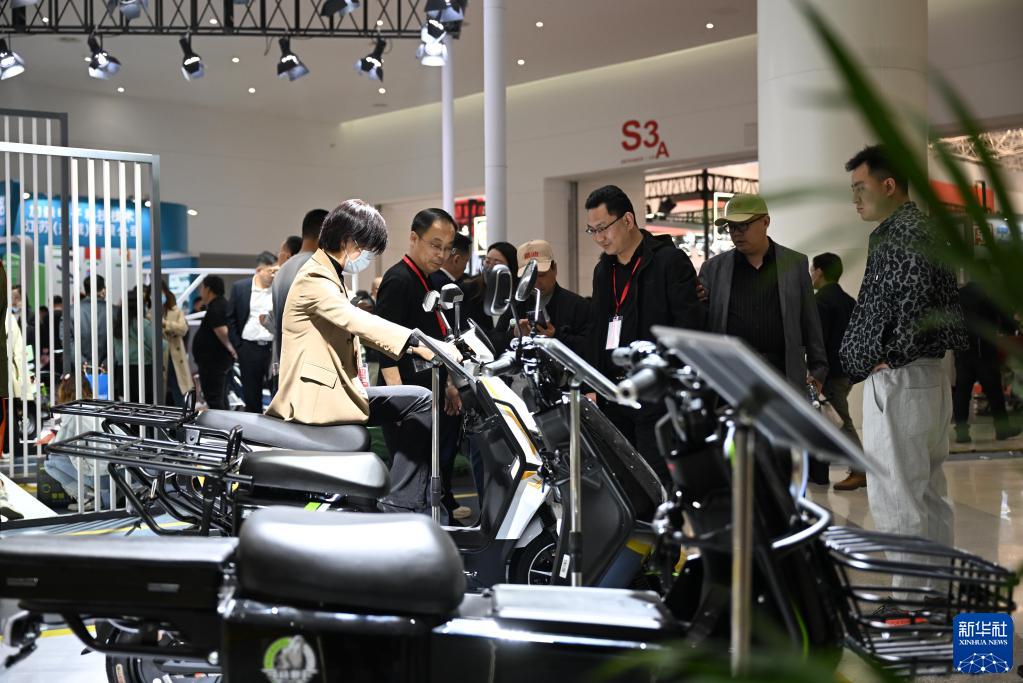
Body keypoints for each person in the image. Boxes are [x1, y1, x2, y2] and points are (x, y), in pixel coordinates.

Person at [267, 199, 459, 513]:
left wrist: (422, 345)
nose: (368, 257)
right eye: (368, 249)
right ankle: (400, 503)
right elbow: (355, 320)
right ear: (348, 241)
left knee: (421, 400)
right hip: (317, 397)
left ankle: (401, 500)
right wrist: (417, 341)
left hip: (338, 389)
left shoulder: (330, 275)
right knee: (421, 401)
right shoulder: (314, 277)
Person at [840, 145, 966, 598]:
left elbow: (912, 304)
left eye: (861, 188)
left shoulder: (902, 233)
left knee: (897, 497)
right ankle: (937, 595)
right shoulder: (923, 229)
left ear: (889, 185)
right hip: (927, 376)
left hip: (902, 379)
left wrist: (890, 354)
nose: (855, 199)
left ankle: (910, 602)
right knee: (928, 493)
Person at [585, 184, 705, 483]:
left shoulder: (669, 262)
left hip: (657, 398)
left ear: (628, 220)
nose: (599, 238)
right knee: (624, 484)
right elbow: (599, 330)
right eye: (592, 231)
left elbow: (688, 329)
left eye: (603, 228)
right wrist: (594, 385)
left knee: (659, 483)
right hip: (615, 396)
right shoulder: (603, 271)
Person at [375, 208, 469, 520]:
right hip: (407, 400)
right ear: (414, 238)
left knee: (426, 472)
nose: (441, 255)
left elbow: (433, 340)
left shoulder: (426, 281)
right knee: (408, 480)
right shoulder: (399, 279)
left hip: (424, 395)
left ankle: (427, 521)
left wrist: (449, 384)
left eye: (447, 248)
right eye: (435, 245)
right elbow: (383, 342)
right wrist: (397, 399)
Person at [811, 252, 865, 491]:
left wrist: (815, 373)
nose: (811, 275)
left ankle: (860, 470)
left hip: (830, 373)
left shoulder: (821, 301)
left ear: (820, 271)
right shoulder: (848, 301)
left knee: (841, 422)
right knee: (835, 420)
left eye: (812, 270)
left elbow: (818, 340)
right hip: (847, 371)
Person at [491, 240, 593, 356]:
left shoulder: (578, 306)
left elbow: (590, 349)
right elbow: (494, 342)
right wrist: (514, 335)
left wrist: (555, 337)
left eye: (541, 275)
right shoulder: (515, 304)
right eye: (528, 276)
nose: (535, 282)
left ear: (555, 269)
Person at [953, 281, 1020, 443]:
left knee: (962, 393)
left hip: (962, 352)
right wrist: (1013, 327)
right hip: (984, 351)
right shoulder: (988, 294)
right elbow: (1004, 320)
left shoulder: (959, 294)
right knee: (995, 391)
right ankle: (1002, 429)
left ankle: (961, 433)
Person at [40, 373, 107, 511]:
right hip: (123, 472)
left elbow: (56, 446)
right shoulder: (100, 407)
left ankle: (88, 497)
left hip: (101, 475)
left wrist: (50, 439)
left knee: (51, 461)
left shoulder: (72, 413)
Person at [272, 209, 329, 370]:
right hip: (308, 366)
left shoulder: (282, 270)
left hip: (284, 362)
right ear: (325, 234)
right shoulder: (316, 265)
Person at [228, 251, 278, 413]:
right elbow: (231, 318)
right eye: (271, 271)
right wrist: (238, 346)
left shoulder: (278, 288)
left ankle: (276, 426)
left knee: (277, 392)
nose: (274, 275)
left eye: (276, 271)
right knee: (251, 395)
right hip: (249, 348)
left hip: (272, 349)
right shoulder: (240, 287)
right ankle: (254, 426)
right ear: (259, 270)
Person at [193, 276, 236, 410]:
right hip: (217, 361)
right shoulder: (221, 305)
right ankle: (225, 422)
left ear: (208, 289)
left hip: (213, 362)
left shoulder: (216, 307)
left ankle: (220, 423)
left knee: (215, 398)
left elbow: (223, 332)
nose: (201, 291)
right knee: (220, 397)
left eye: (202, 288)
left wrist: (233, 350)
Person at [113, 287, 155, 404]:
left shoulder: (117, 325)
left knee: (127, 406)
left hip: (122, 369)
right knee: (144, 406)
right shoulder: (143, 324)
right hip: (143, 369)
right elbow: (159, 346)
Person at [64, 275, 109, 375]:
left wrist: (80, 361)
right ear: (103, 290)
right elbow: (118, 342)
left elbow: (67, 341)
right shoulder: (115, 312)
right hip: (108, 371)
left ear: (86, 290)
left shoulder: (70, 312)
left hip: (80, 372)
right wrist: (108, 361)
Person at [160, 280, 195, 407]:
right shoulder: (148, 313)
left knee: (179, 392)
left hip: (174, 357)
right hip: (159, 358)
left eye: (161, 293)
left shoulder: (175, 311)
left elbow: (183, 328)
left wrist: (165, 323)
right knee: (162, 395)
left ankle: (183, 415)